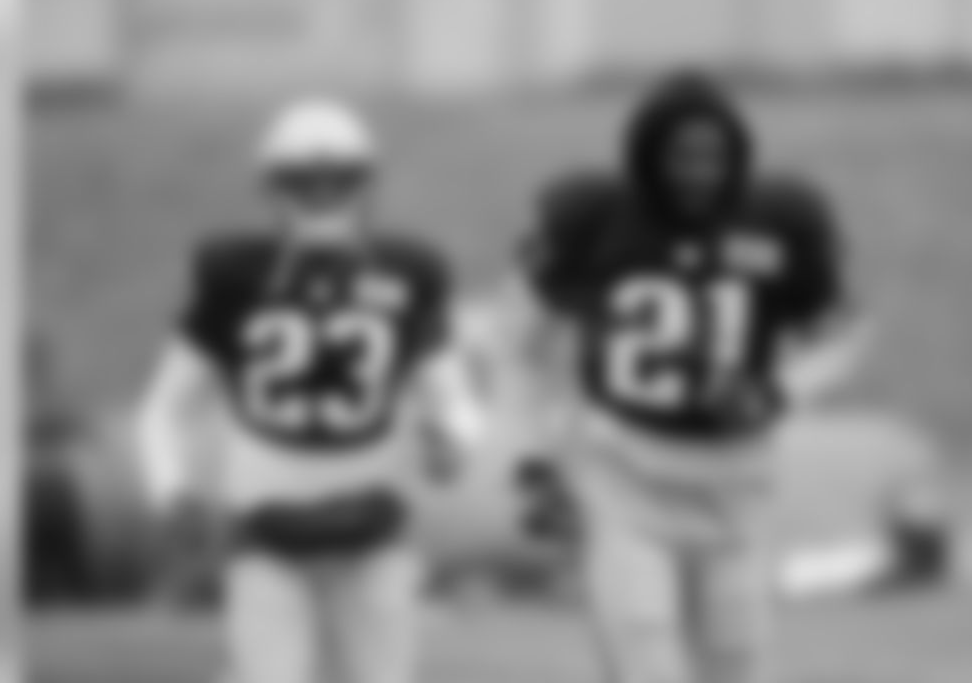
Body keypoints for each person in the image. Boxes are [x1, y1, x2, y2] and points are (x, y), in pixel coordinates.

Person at [514, 70, 865, 683]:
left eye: (713, 156)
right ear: (647, 155)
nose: (699, 172)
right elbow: (520, 332)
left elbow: (846, 329)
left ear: (738, 157)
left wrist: (777, 392)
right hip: (624, 476)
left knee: (739, 660)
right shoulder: (596, 217)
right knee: (643, 650)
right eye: (682, 155)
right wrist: (543, 447)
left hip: (737, 486)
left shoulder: (778, 220)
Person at [135, 98, 455, 683]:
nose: (323, 195)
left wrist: (453, 438)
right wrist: (171, 490)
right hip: (269, 534)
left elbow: (450, 393)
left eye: (339, 180)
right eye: (305, 181)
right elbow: (163, 408)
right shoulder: (234, 277)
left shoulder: (408, 273)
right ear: (273, 187)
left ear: (365, 184)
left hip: (374, 530)